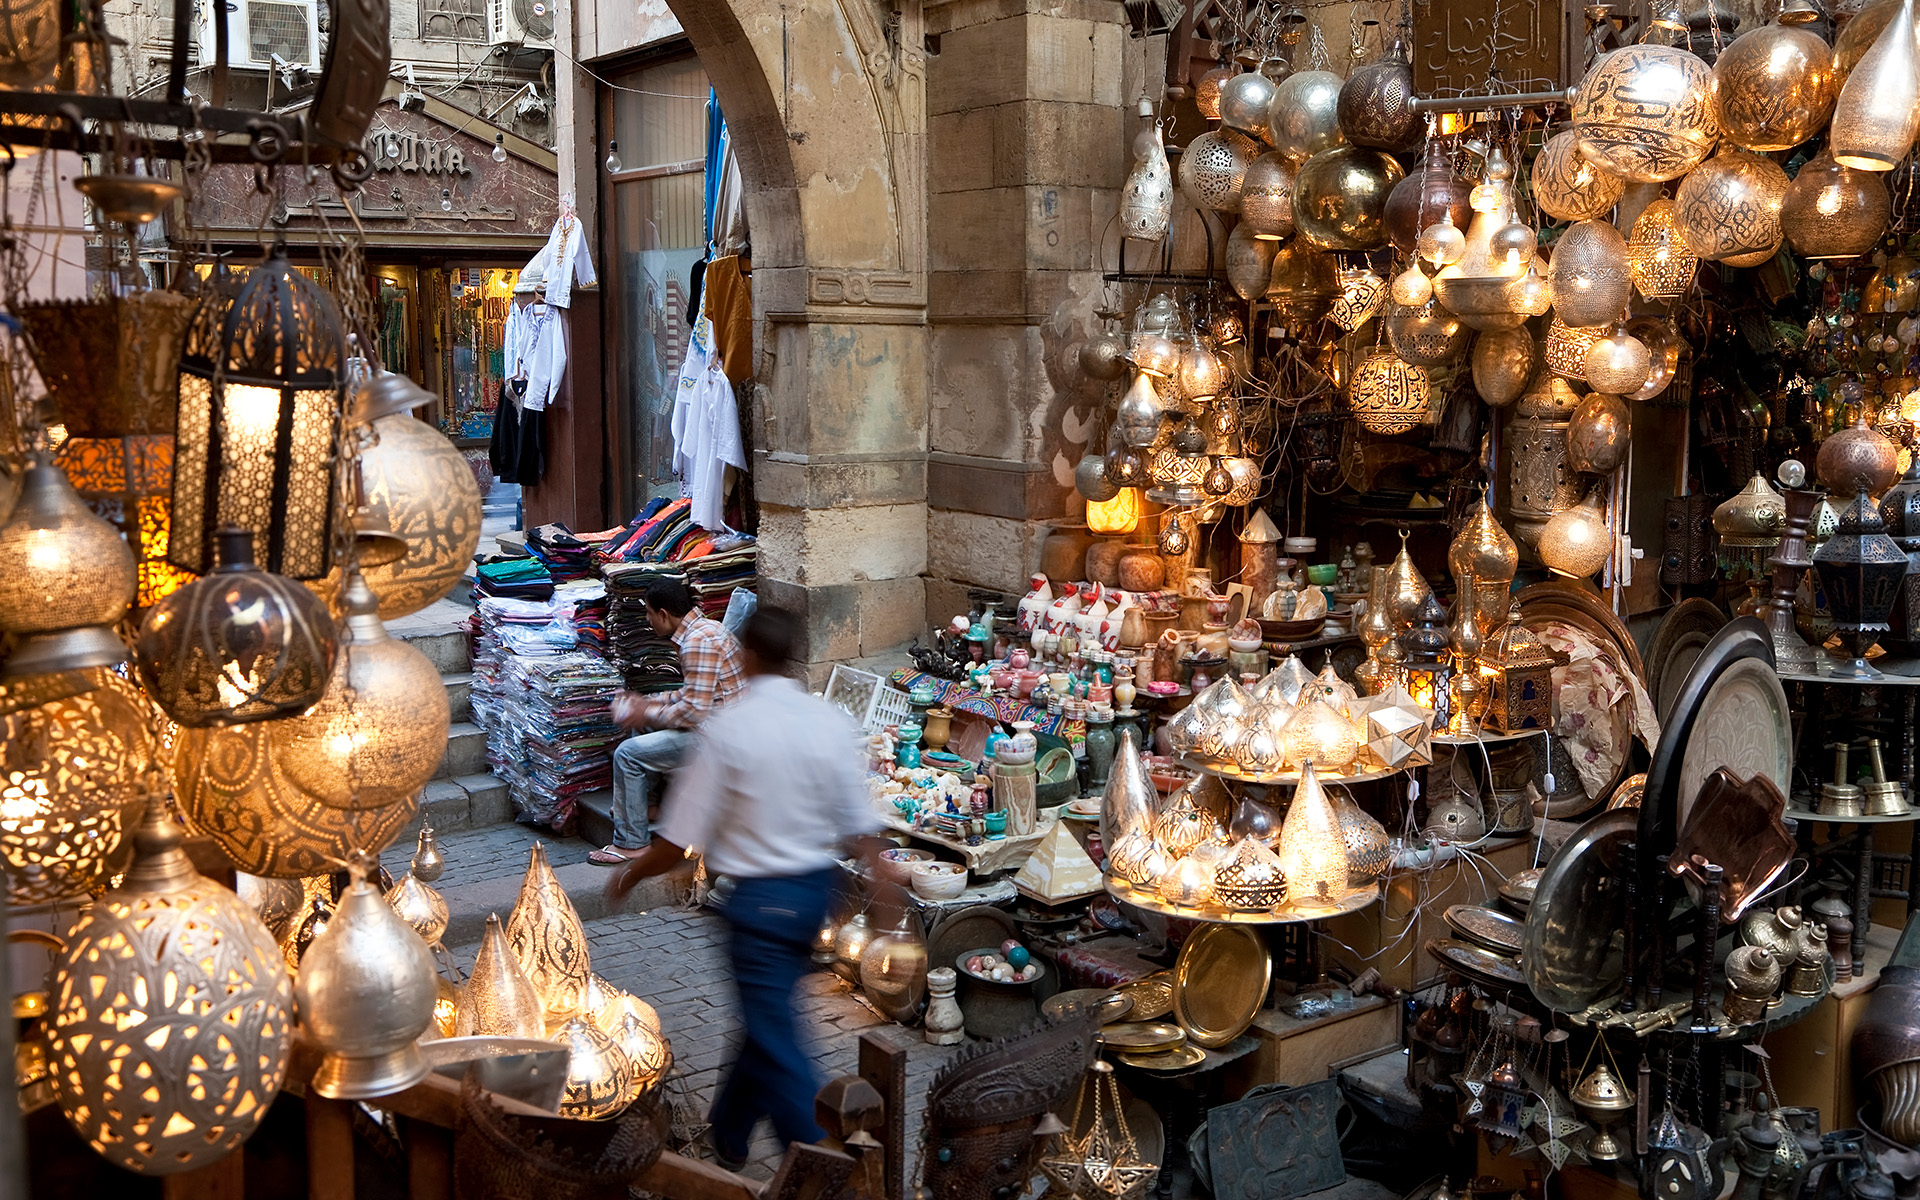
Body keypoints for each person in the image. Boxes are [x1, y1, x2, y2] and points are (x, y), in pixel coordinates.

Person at [603, 606, 893, 1167]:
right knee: (765, 1016)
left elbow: (679, 836)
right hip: (815, 894)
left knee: (778, 1040)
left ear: (746, 655)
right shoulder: (826, 721)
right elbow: (864, 831)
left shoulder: (732, 730)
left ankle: (817, 1160)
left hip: (761, 904)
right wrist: (887, 896)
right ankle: (730, 1135)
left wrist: (631, 871)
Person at [589, 577, 744, 865]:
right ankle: (647, 806)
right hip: (716, 726)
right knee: (642, 723)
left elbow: (693, 712)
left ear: (663, 613)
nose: (648, 621)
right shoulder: (706, 629)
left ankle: (631, 843)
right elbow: (691, 695)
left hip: (719, 739)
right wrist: (648, 703)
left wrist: (646, 711)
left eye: (649, 613)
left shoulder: (697, 642)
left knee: (628, 754)